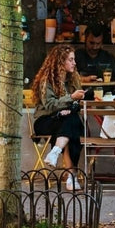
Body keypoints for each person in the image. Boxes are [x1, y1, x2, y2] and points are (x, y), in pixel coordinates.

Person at [30, 44, 87, 191]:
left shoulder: (73, 79)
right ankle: (71, 176)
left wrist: (75, 103)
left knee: (71, 121)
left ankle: (56, 151)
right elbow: (49, 105)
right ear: (60, 62)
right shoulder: (46, 80)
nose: (74, 63)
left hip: (65, 120)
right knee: (72, 125)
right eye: (71, 59)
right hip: (46, 120)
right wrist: (70, 98)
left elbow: (75, 104)